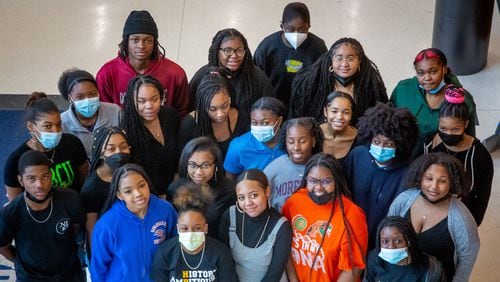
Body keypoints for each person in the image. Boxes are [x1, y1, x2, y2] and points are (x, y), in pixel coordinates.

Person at [388, 153, 480, 282]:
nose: (434, 187)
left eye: (442, 181)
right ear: (420, 178)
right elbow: (387, 234)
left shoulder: (461, 218)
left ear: (452, 183)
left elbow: (467, 259)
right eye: (429, 178)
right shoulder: (403, 200)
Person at [343, 103, 419, 249]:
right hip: (350, 236)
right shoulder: (357, 156)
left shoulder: (408, 172)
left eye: (389, 144)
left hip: (384, 243)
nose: (381, 148)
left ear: (400, 144)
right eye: (376, 142)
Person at [0, 150, 85, 281]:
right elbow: (3, 246)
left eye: (44, 176)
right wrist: (22, 263)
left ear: (51, 175)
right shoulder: (10, 213)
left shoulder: (71, 199)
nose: (39, 185)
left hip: (69, 272)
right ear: (21, 180)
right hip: (31, 277)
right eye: (31, 179)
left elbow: (75, 227)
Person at [283, 153, 368, 281]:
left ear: (337, 180)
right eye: (312, 180)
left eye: (326, 181)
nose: (318, 187)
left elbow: (354, 268)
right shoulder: (293, 202)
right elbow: (285, 248)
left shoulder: (352, 215)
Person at [90, 163, 178, 282]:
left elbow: (176, 248)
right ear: (119, 195)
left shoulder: (166, 210)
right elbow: (98, 268)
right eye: (128, 191)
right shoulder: (107, 224)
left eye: (142, 186)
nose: (138, 194)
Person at [96, 10, 190, 117]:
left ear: (155, 42)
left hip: (163, 132)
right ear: (126, 41)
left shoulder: (175, 73)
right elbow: (103, 115)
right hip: (121, 132)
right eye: (135, 40)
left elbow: (183, 113)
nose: (141, 46)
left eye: (148, 40)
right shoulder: (107, 73)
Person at [423, 85, 493, 226]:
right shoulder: (428, 145)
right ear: (438, 122)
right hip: (427, 215)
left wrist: (471, 223)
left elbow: (481, 197)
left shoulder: (479, 155)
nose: (448, 134)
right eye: (443, 128)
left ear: (466, 125)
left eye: (455, 129)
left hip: (460, 218)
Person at [3, 92, 88, 202]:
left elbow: (84, 181)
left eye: (58, 124)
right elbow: (15, 205)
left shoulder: (72, 143)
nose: (56, 131)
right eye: (47, 126)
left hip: (72, 209)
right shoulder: (16, 160)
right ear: (31, 127)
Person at [151, 183, 238, 281]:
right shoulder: (165, 253)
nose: (190, 234)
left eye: (197, 228)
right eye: (184, 228)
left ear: (205, 228)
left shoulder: (220, 252)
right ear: (178, 228)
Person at [289, 37, 387, 124]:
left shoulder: (370, 88)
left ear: (359, 61)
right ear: (331, 60)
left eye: (350, 59)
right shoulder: (314, 84)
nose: (344, 64)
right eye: (339, 58)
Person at [218, 169, 293, 282]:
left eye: (254, 195)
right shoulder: (229, 216)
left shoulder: (282, 226)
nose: (248, 203)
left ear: (267, 191)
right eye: (242, 198)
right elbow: (224, 264)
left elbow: (274, 275)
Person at [189, 28, 274, 128]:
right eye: (227, 50)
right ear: (217, 51)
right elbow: (191, 109)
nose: (234, 56)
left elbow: (270, 109)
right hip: (210, 134)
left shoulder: (258, 77)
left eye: (239, 50)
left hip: (246, 134)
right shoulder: (203, 75)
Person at [390, 48, 477, 142]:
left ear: (444, 69)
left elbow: (468, 138)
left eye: (433, 71)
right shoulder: (403, 89)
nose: (427, 78)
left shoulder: (463, 100)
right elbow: (387, 120)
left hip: (439, 155)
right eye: (421, 73)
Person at [254, 2, 327, 107]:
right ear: (282, 26)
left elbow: (323, 81)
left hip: (306, 106)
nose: (296, 34)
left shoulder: (318, 47)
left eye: (302, 30)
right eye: (290, 29)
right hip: (273, 106)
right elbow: (257, 80)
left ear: (309, 26)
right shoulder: (267, 47)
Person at [121, 74, 179, 198]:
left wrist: (177, 183)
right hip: (148, 195)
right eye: (141, 101)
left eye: (154, 99)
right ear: (132, 101)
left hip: (177, 188)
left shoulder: (170, 116)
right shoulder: (127, 130)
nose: (149, 106)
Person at [167, 137, 235, 237]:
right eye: (193, 165)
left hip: (218, 245)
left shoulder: (229, 190)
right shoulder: (175, 189)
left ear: (215, 165)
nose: (199, 172)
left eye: (205, 165)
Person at [80, 126, 132, 250]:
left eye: (123, 147)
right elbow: (92, 228)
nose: (119, 152)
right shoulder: (92, 187)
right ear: (101, 153)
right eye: (111, 149)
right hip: (109, 241)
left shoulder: (132, 172)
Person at [179, 68, 246, 158]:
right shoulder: (190, 124)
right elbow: (183, 161)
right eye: (213, 109)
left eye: (224, 106)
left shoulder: (240, 117)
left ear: (230, 99)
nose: (220, 114)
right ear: (203, 106)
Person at [58, 68, 122, 158]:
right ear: (70, 98)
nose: (87, 100)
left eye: (92, 94)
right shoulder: (61, 123)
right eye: (80, 97)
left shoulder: (115, 112)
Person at [264, 117, 323, 212]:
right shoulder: (273, 170)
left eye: (303, 141)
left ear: (313, 141)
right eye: (291, 142)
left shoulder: (323, 167)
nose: (296, 147)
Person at [364, 216, 444, 282]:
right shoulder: (374, 259)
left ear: (408, 241)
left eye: (398, 241)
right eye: (385, 241)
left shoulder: (431, 269)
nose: (391, 246)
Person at [224, 97, 286, 179]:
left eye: (265, 123)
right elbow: (230, 179)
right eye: (254, 122)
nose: (259, 127)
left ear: (279, 121)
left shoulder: (290, 142)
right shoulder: (238, 146)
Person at [320, 91, 357, 162]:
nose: (340, 117)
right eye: (334, 111)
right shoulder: (313, 134)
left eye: (346, 113)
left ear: (351, 114)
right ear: (325, 111)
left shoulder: (359, 139)